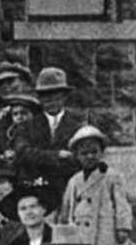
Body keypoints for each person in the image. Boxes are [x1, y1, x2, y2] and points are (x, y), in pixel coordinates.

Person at [58, 126, 133, 245]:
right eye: (84, 153)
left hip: (105, 236)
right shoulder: (74, 181)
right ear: (77, 156)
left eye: (94, 152)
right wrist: (65, 228)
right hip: (82, 239)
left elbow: (122, 203)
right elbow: (67, 208)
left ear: (101, 153)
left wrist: (123, 227)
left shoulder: (112, 176)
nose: (90, 156)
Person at [13, 67, 84, 198]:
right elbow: (23, 154)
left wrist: (40, 157)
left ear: (64, 96)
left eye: (56, 95)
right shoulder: (26, 127)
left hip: (67, 189)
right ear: (39, 98)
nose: (51, 101)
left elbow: (79, 160)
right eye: (45, 96)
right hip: (34, 189)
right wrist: (58, 155)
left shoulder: (77, 127)